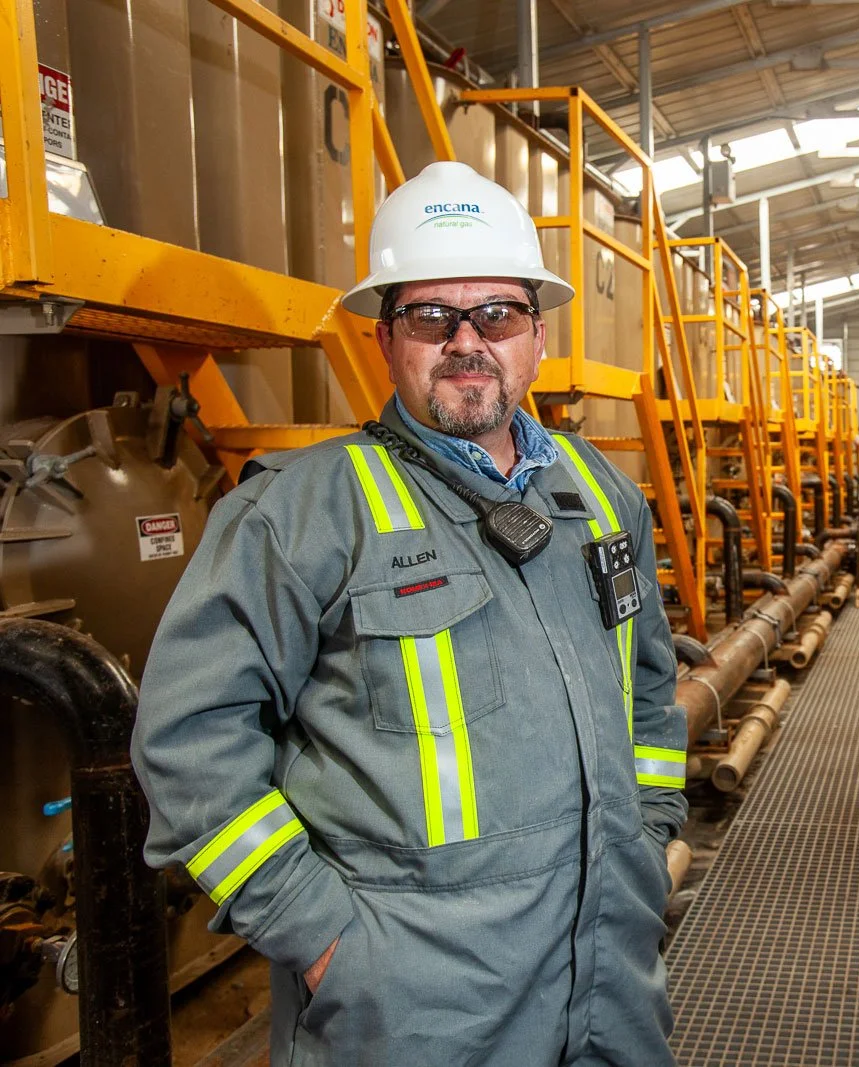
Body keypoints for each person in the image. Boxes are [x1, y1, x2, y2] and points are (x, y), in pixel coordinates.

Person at [132, 160, 687, 1066]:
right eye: (433, 316)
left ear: (536, 334)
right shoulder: (302, 512)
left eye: (497, 314)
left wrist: (650, 828)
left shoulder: (601, 492)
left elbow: (651, 689)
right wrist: (320, 936)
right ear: (387, 337)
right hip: (414, 1003)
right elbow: (188, 738)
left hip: (610, 966)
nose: (468, 340)